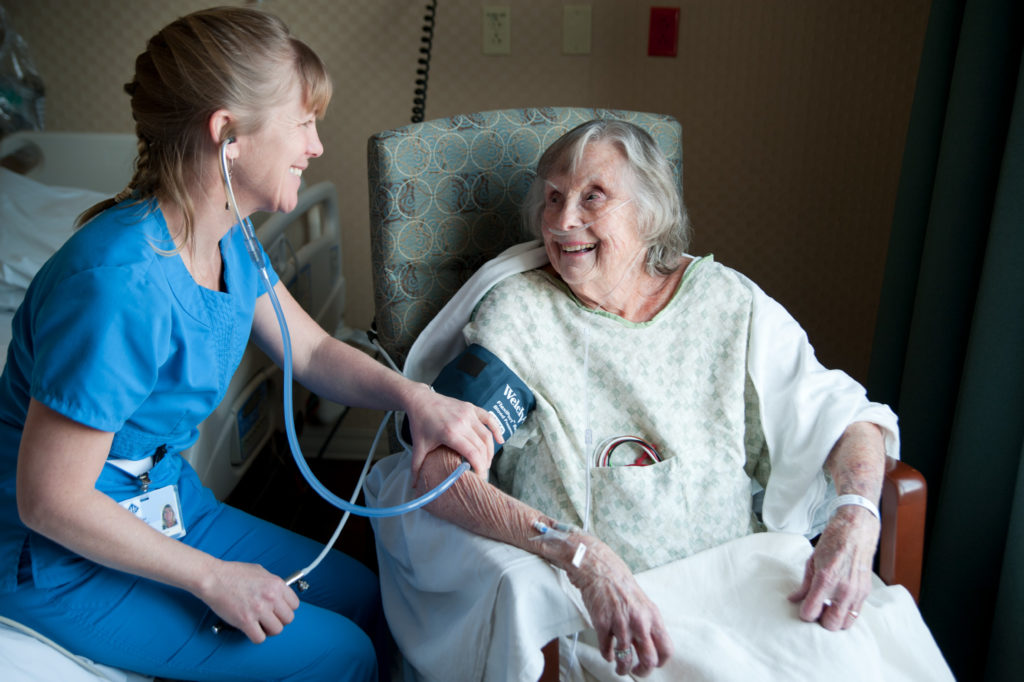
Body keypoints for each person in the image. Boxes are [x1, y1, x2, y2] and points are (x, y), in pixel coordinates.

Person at [0, 7, 500, 681]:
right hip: (58, 556)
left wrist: (417, 399)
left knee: (369, 599)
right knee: (342, 655)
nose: (316, 145)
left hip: (164, 501)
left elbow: (315, 353)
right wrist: (214, 580)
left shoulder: (226, 235)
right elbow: (51, 500)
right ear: (227, 134)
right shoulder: (118, 287)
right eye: (302, 122)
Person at [370, 119, 952, 680]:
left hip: (745, 581)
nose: (563, 220)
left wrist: (857, 515)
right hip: (603, 608)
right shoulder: (521, 315)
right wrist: (582, 556)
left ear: (650, 213)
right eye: (551, 198)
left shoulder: (727, 302)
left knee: (846, 662)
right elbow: (439, 469)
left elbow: (847, 417)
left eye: (593, 196)